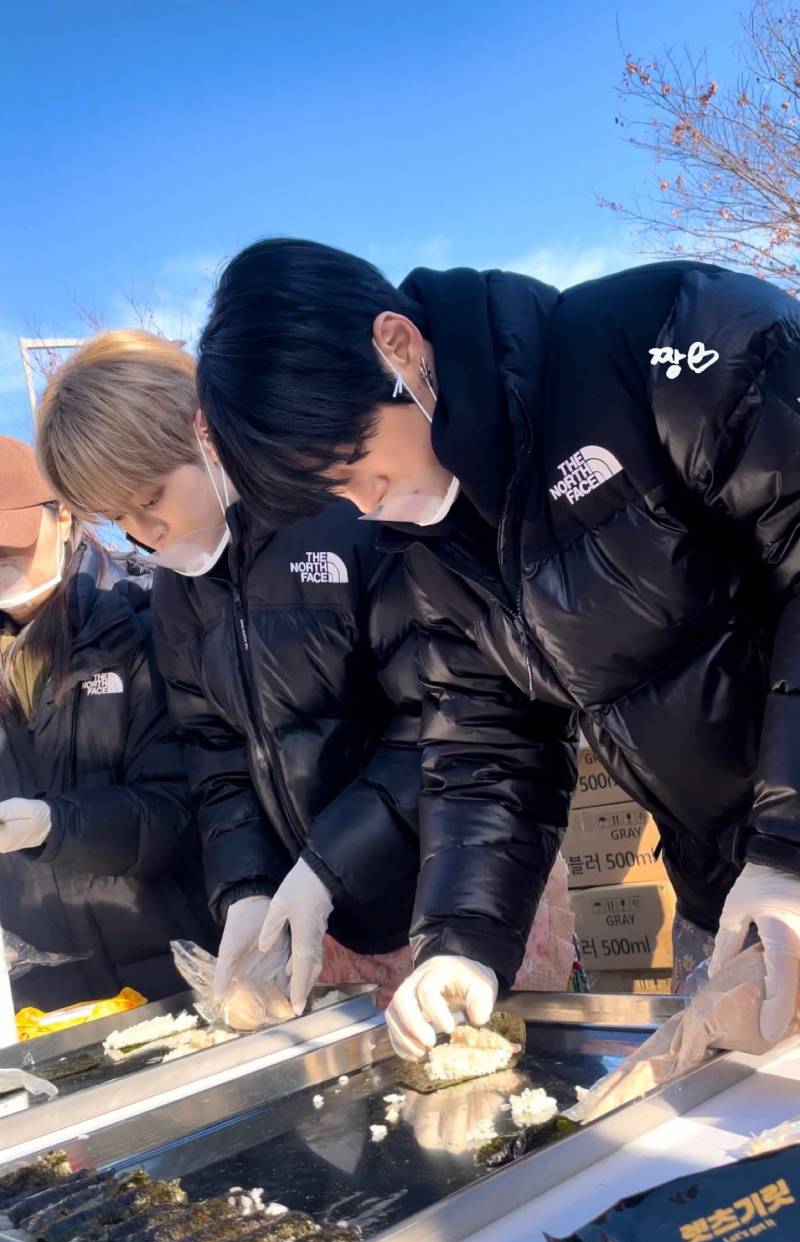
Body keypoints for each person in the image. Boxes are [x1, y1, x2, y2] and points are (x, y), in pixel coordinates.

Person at [193, 237, 800, 1056]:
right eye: (334, 494)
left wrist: (789, 842)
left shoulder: (670, 343)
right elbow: (486, 737)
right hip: (734, 896)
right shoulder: (438, 534)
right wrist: (465, 942)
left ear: (397, 347)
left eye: (354, 462)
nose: (364, 502)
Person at [36, 332, 427, 1017]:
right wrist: (246, 886)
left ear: (204, 434)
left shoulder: (344, 509)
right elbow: (216, 760)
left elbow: (439, 715)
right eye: (120, 518)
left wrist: (328, 862)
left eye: (151, 495)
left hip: (448, 886)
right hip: (322, 922)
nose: (146, 531)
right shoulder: (178, 593)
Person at [0, 434, 217, 1012]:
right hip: (38, 1004)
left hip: (170, 980)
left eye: (8, 540)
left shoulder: (138, 628)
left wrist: (51, 824)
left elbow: (178, 809)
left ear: (64, 516)